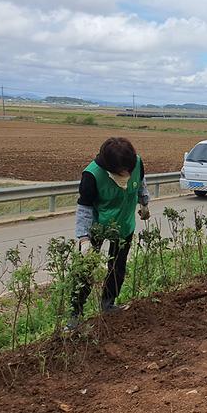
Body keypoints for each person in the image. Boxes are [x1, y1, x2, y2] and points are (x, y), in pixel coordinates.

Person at [68, 137, 150, 330]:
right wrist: (84, 239)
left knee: (117, 266)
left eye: (128, 169)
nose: (127, 173)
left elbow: (141, 182)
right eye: (122, 171)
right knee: (85, 270)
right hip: (98, 226)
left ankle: (108, 304)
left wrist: (144, 202)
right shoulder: (92, 175)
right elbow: (85, 208)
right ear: (110, 167)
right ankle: (75, 313)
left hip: (125, 225)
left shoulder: (136, 163)